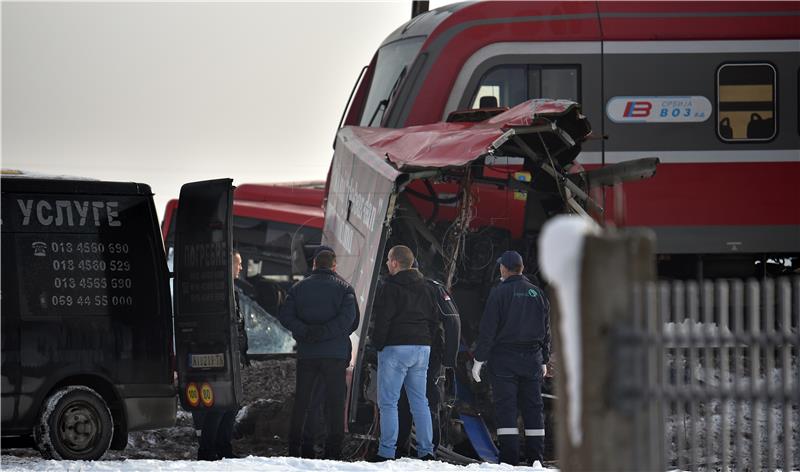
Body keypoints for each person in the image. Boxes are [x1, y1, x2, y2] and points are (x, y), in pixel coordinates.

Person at [278, 245, 357, 460]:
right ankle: (333, 452)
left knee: (303, 402)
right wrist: (326, 332)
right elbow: (349, 321)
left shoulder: (298, 288)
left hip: (308, 354)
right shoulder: (345, 289)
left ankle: (299, 449)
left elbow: (285, 316)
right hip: (335, 355)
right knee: (334, 403)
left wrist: (307, 332)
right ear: (334, 266)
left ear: (314, 264)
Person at [471, 250, 550, 466]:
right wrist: (543, 359)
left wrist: (478, 360)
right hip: (532, 358)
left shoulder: (498, 294)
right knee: (534, 408)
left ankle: (509, 460)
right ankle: (536, 459)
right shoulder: (537, 294)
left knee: (507, 408)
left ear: (504, 268)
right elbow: (546, 330)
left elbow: (488, 331)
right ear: (521, 269)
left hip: (504, 360)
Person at [370, 245, 437, 461]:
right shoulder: (427, 286)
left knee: (389, 402)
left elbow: (383, 320)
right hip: (422, 348)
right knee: (420, 401)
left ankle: (387, 451)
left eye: (389, 260)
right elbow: (434, 320)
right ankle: (427, 451)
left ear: (396, 263)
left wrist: (377, 344)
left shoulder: (390, 287)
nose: (387, 264)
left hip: (395, 348)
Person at [197, 250, 249, 461]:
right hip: (222, 354)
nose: (241, 268)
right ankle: (208, 450)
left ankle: (222, 447)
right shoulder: (219, 290)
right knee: (221, 404)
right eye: (238, 263)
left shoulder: (231, 290)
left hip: (233, 355)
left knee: (232, 403)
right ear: (229, 265)